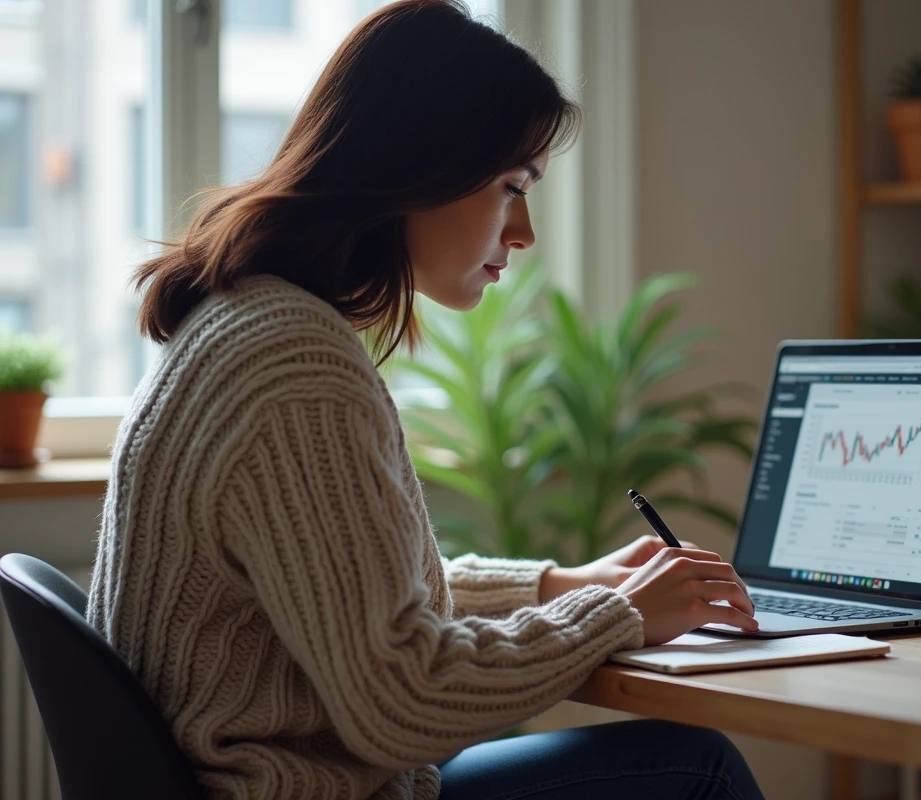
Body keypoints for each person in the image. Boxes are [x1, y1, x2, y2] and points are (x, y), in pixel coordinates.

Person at [87, 1, 766, 798]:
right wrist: (615, 617)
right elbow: (399, 698)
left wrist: (564, 586)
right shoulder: (296, 367)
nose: (525, 233)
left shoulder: (248, 321)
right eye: (512, 186)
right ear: (418, 168)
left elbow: (352, 595)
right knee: (698, 769)